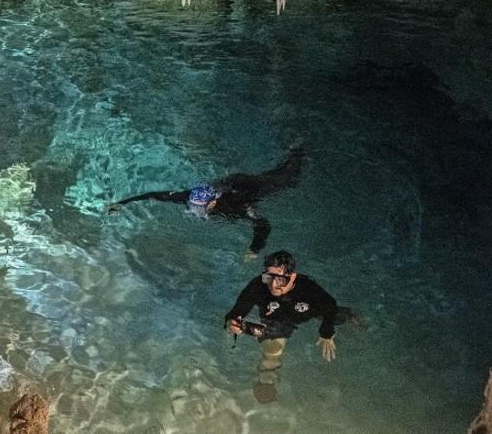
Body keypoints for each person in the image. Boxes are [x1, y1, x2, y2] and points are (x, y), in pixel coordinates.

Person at [106, 145, 303, 254]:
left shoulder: (237, 206)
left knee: (288, 178)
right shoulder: (188, 197)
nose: (194, 211)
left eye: (199, 209)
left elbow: (263, 225)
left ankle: (298, 150)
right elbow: (154, 195)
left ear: (212, 203)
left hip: (248, 187)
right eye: (192, 206)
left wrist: (254, 249)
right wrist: (122, 203)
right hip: (226, 184)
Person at [224, 250, 338, 403]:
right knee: (272, 349)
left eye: (280, 279)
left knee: (340, 316)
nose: (273, 284)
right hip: (276, 321)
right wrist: (231, 323)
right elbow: (236, 312)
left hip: (307, 312)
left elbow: (331, 306)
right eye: (268, 277)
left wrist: (326, 333)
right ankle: (267, 382)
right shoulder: (258, 285)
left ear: (293, 277)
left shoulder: (308, 288)